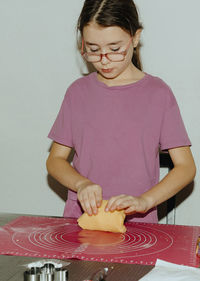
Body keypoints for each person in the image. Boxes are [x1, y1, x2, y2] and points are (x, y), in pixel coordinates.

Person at [46, 0, 196, 223]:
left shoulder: (158, 94)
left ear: (135, 38)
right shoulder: (77, 93)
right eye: (93, 50)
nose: (104, 60)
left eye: (115, 49)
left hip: (140, 226)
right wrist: (81, 184)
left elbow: (185, 167)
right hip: (82, 223)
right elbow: (55, 160)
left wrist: (145, 201)